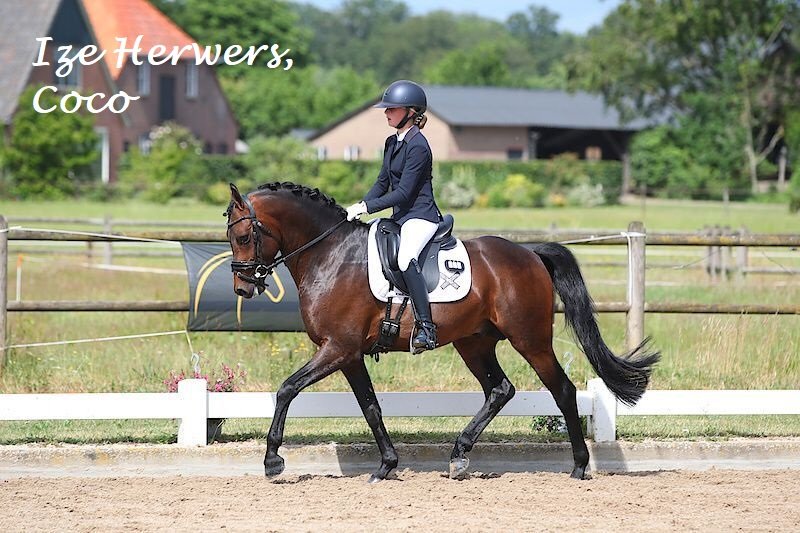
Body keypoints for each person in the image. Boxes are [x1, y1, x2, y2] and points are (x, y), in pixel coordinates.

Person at [345, 80, 442, 354]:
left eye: (392, 109)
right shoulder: (392, 142)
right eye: (386, 108)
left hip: (420, 216)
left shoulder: (419, 146)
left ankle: (426, 328)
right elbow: (382, 183)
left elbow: (403, 193)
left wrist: (368, 207)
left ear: (411, 112)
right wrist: (360, 204)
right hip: (400, 217)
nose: (386, 113)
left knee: (405, 257)